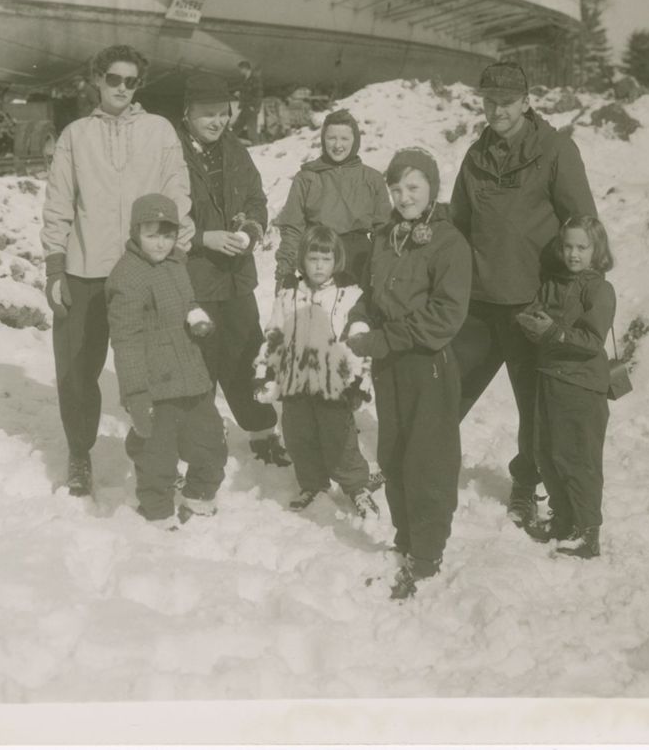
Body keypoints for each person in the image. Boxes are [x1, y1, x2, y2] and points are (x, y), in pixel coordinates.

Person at [41, 45, 193, 498]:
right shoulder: (75, 136)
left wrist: (175, 256)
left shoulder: (160, 131)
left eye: (131, 81)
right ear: (97, 80)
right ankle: (79, 454)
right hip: (85, 270)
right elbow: (58, 203)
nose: (122, 88)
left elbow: (177, 194)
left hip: (143, 270)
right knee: (76, 369)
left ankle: (160, 452)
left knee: (156, 368)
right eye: (113, 79)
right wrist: (54, 267)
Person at [449, 60, 596, 528]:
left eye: (507, 102)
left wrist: (578, 291)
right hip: (477, 300)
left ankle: (524, 485)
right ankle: (421, 465)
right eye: (489, 101)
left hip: (532, 305)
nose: (497, 111)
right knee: (444, 388)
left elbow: (583, 223)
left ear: (526, 102)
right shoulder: (475, 155)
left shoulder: (556, 150)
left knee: (534, 407)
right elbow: (458, 223)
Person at [348, 148, 471, 600]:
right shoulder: (385, 237)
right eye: (396, 189)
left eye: (413, 188)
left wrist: (382, 340)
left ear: (432, 190)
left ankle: (428, 551)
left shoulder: (449, 243)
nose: (404, 197)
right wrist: (359, 319)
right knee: (394, 452)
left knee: (428, 460)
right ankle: (406, 537)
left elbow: (445, 317)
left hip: (427, 366)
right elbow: (371, 294)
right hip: (389, 366)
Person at [178, 71, 290, 466]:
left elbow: (256, 198)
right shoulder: (171, 153)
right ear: (187, 113)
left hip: (237, 278)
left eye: (222, 113)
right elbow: (159, 216)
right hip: (195, 280)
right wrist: (201, 238)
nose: (217, 121)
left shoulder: (234, 150)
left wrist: (250, 230)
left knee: (247, 356)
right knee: (201, 364)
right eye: (207, 114)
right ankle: (202, 440)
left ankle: (262, 433)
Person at [106, 194, 227, 528]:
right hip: (154, 383)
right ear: (135, 233)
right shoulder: (127, 277)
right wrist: (136, 394)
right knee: (157, 454)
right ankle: (156, 510)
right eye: (151, 234)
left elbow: (185, 300)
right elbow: (126, 342)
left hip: (189, 372)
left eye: (167, 234)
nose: (160, 243)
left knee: (210, 438)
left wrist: (196, 316)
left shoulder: (176, 263)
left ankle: (199, 495)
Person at [254, 225, 378, 517]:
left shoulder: (350, 295)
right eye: (313, 259)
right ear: (302, 260)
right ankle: (311, 483)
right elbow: (274, 333)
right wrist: (266, 375)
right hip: (295, 380)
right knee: (299, 435)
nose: (319, 266)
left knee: (340, 437)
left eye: (326, 259)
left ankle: (356, 486)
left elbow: (359, 342)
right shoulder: (288, 295)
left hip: (334, 381)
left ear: (337, 261)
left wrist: (359, 382)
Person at [516, 216, 616, 559]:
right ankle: (563, 521)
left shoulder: (599, 289)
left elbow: (591, 340)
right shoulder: (553, 283)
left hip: (581, 384)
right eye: (569, 247)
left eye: (582, 247)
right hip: (550, 378)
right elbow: (534, 313)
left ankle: (588, 533)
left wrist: (553, 332)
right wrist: (530, 321)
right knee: (548, 452)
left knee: (579, 459)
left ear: (596, 250)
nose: (574, 254)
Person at [275, 109, 392, 290]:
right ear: (323, 139)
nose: (338, 145)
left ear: (355, 141)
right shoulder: (307, 177)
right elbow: (292, 227)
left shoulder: (372, 179)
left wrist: (382, 268)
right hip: (319, 254)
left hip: (359, 258)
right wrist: (285, 270)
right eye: (331, 138)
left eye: (344, 138)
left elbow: (383, 230)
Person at [231, 60, 263, 145]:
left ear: (245, 69)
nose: (240, 71)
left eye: (241, 69)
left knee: (252, 131)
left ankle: (257, 147)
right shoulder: (246, 80)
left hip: (251, 108)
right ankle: (228, 144)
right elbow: (247, 93)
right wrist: (239, 94)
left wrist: (255, 107)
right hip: (245, 107)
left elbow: (258, 94)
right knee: (236, 127)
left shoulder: (254, 79)